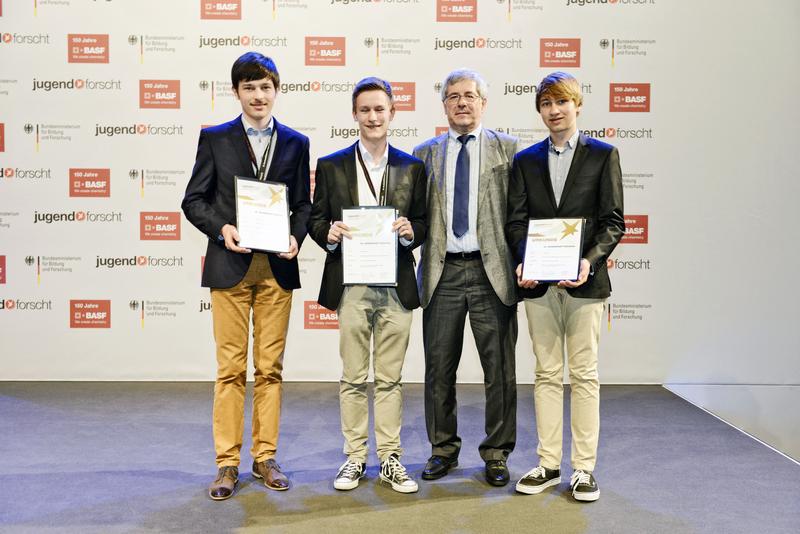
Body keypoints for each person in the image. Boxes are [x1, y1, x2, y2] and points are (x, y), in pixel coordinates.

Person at [181, 52, 311, 500]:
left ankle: (265, 457)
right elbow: (194, 200)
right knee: (231, 369)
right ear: (236, 92)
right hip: (230, 266)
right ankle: (226, 464)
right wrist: (222, 228)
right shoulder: (215, 138)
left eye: (266, 87)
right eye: (250, 87)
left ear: (277, 91)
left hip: (277, 268)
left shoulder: (295, 142)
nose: (259, 95)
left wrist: (297, 236)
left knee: (270, 369)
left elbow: (304, 205)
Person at [506, 71, 624, 502]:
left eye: (561, 103)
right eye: (546, 104)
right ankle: (548, 464)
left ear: (577, 105)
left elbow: (614, 222)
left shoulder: (602, 155)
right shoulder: (526, 160)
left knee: (586, 375)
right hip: (539, 286)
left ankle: (585, 469)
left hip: (584, 285)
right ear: (540, 110)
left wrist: (588, 261)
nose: (554, 111)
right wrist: (524, 260)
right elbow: (517, 221)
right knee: (546, 374)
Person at [308, 77, 427, 494]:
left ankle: (390, 458)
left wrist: (412, 231)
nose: (373, 117)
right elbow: (315, 218)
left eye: (380, 109)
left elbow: (425, 223)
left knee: (391, 377)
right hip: (352, 284)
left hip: (395, 285)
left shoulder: (413, 167)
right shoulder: (331, 165)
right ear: (354, 115)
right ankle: (355, 458)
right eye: (365, 110)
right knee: (354, 376)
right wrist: (330, 232)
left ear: (392, 113)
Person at [413, 69, 519, 487]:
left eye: (470, 96)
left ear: (484, 102)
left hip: (491, 272)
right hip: (442, 273)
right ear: (443, 105)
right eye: (453, 96)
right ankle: (443, 450)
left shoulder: (509, 150)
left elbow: (520, 216)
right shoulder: (424, 153)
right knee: (439, 368)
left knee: (501, 370)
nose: (462, 102)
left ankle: (497, 453)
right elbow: (415, 218)